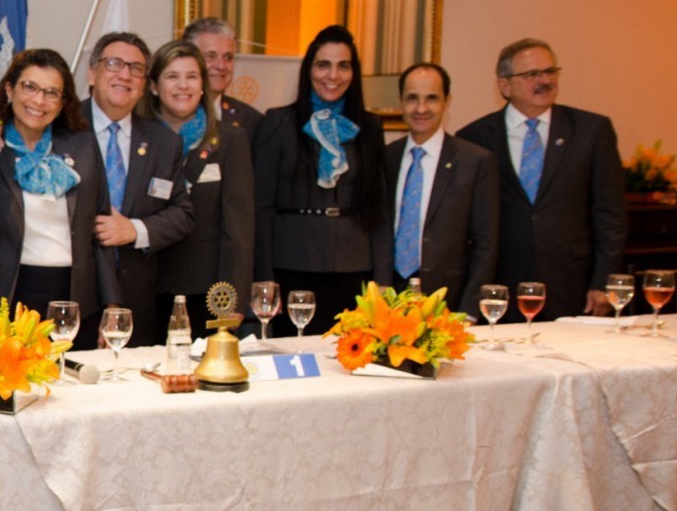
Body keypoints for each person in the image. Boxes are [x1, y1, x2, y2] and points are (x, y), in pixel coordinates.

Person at [457, 39, 624, 320]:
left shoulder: (592, 131)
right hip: (500, 287)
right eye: (532, 74)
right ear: (504, 85)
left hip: (572, 285)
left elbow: (610, 214)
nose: (545, 81)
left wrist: (603, 281)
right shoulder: (474, 138)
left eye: (550, 71)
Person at [253, 25, 389, 335]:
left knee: (350, 356)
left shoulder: (369, 127)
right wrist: (264, 276)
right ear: (309, 70)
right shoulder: (278, 123)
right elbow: (261, 208)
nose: (333, 75)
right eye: (323, 64)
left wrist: (383, 280)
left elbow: (379, 210)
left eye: (344, 66)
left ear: (354, 73)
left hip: (355, 267)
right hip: (292, 265)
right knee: (295, 357)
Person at [0, 48, 120, 333]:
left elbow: (100, 229)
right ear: (10, 89)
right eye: (30, 87)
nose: (39, 100)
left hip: (75, 295)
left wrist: (112, 303)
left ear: (62, 102)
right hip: (8, 295)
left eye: (52, 92)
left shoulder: (83, 147)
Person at [82, 32, 192, 346]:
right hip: (74, 299)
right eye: (114, 64)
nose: (125, 74)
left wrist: (135, 230)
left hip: (137, 303)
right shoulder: (62, 129)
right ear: (92, 73)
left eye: (136, 68)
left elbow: (183, 214)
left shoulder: (164, 142)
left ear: (144, 84)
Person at [146, 39, 255, 336]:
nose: (183, 86)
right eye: (172, 76)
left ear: (203, 85)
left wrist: (233, 296)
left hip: (207, 292)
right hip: (148, 288)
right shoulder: (140, 139)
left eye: (192, 76)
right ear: (153, 86)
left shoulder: (229, 140)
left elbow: (239, 227)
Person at [382, 63, 499, 315]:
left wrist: (470, 311)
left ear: (447, 101)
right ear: (401, 102)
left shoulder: (475, 161)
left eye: (432, 98)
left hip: (449, 301)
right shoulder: (385, 157)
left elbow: (486, 245)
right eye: (412, 98)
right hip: (388, 299)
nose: (421, 108)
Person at [183, 17, 263, 138]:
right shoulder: (165, 115)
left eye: (228, 57)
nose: (221, 66)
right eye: (210, 56)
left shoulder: (251, 121)